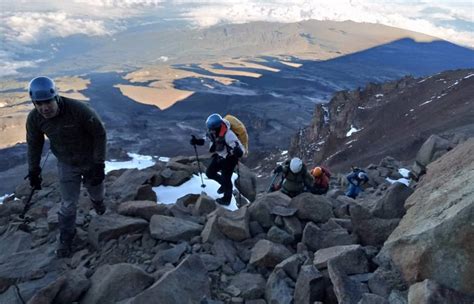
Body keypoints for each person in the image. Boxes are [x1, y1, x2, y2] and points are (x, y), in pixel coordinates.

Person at [25, 76, 107, 258]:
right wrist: (34, 170)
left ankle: (98, 204)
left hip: (89, 159)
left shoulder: (78, 110)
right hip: (67, 164)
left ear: (56, 98)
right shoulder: (34, 119)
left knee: (97, 192)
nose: (44, 108)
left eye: (47, 102)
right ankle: (67, 238)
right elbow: (34, 144)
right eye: (38, 103)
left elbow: (99, 133)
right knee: (68, 204)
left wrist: (99, 164)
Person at [190, 113, 244, 205]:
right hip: (220, 156)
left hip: (230, 158)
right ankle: (223, 185)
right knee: (210, 173)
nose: (210, 130)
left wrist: (238, 151)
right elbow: (206, 140)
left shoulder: (228, 134)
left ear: (217, 127)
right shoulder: (213, 133)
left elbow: (239, 147)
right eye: (210, 128)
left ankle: (227, 199)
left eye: (212, 129)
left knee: (226, 178)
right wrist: (197, 141)